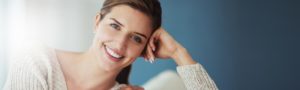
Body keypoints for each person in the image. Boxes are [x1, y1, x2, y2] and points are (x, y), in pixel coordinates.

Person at [3, 0, 218, 90]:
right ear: (97, 22)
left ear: (144, 49)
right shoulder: (34, 59)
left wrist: (179, 53)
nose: (120, 44)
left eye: (136, 38)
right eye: (115, 26)